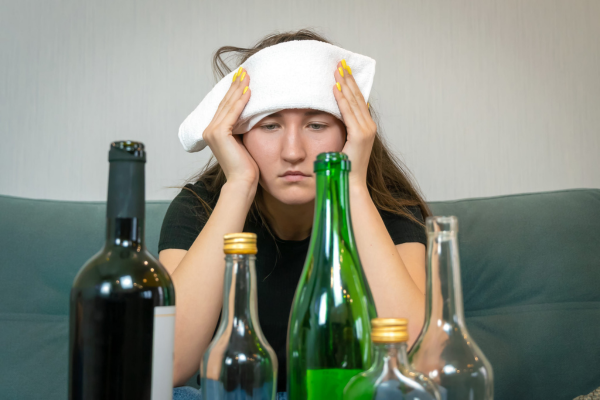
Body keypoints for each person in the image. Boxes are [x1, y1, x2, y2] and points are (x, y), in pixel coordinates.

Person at [160, 29, 430, 400]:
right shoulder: (199, 207)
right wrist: (239, 183)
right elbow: (168, 366)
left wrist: (348, 184)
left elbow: (418, 360)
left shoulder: (389, 207)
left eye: (316, 125)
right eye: (269, 125)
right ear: (238, 136)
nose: (292, 152)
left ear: (351, 132)